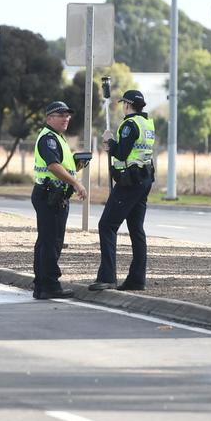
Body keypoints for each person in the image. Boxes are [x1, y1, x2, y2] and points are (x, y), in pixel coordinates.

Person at [89, 89, 155, 291]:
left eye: (123, 104)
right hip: (144, 180)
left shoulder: (129, 124)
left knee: (107, 225)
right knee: (136, 230)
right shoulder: (147, 123)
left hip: (129, 182)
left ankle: (107, 277)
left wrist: (110, 142)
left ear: (127, 104)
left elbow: (122, 152)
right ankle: (136, 279)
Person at [31, 101, 87, 300]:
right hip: (49, 195)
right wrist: (77, 183)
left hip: (53, 195)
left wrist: (76, 166)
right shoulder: (49, 139)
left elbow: (61, 167)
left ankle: (41, 285)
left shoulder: (58, 138)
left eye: (68, 115)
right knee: (51, 242)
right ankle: (49, 285)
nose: (66, 118)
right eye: (61, 115)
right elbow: (54, 167)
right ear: (49, 118)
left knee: (47, 241)